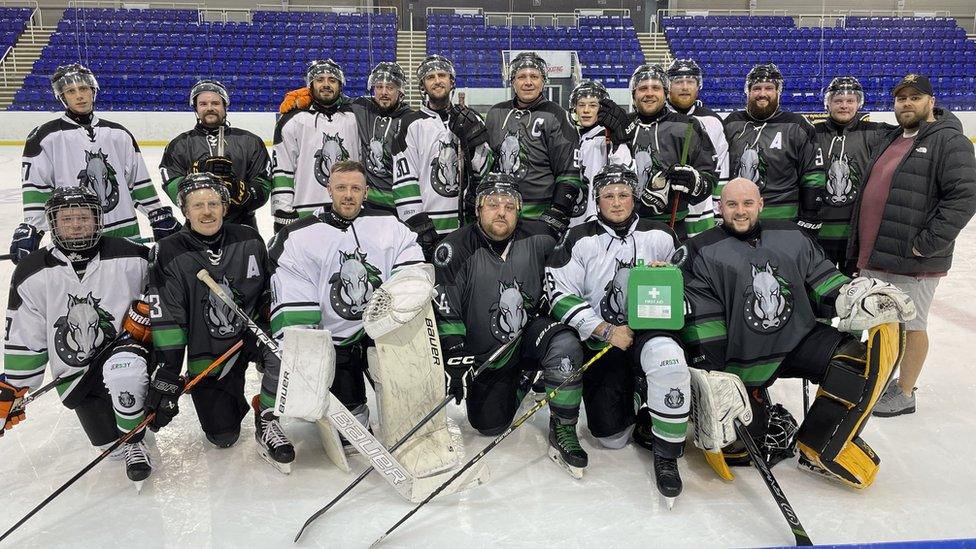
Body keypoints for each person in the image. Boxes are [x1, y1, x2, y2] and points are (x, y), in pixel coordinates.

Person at [677, 177, 911, 489]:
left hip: (797, 339)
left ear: (761, 204)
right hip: (742, 358)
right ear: (720, 208)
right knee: (743, 447)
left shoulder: (791, 236)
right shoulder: (700, 249)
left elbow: (822, 279)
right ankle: (750, 405)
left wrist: (852, 297)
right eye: (732, 204)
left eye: (748, 203)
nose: (740, 211)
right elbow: (702, 318)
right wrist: (715, 373)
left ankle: (819, 444)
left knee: (855, 362)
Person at [546, 163, 690, 503]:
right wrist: (605, 329)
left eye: (624, 194)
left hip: (650, 335)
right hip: (606, 340)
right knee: (611, 437)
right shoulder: (580, 237)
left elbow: (690, 277)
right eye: (608, 195)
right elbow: (557, 293)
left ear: (634, 196)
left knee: (668, 362)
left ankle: (667, 456)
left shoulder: (660, 235)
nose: (616, 202)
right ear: (597, 200)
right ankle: (639, 397)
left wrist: (672, 272)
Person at [432, 173, 587, 477]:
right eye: (492, 204)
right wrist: (456, 354)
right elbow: (446, 309)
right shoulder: (454, 248)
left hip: (530, 333)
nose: (501, 211)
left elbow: (569, 278)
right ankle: (524, 376)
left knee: (565, 344)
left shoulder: (543, 237)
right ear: (478, 209)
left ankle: (564, 428)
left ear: (519, 210)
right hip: (486, 354)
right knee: (488, 425)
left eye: (509, 205)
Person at [1, 187, 154, 487]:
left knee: (125, 373)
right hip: (75, 376)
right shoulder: (32, 271)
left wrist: (147, 313)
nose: (75, 224)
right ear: (53, 224)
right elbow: (26, 331)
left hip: (128, 358)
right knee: (109, 447)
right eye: (66, 218)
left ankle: (135, 438)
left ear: (98, 220)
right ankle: (124, 430)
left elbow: (163, 291)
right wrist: (14, 387)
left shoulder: (132, 255)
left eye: (83, 217)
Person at [146, 173, 294, 473]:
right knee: (222, 436)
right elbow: (169, 317)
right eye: (197, 205)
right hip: (208, 348)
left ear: (225, 207)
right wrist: (169, 371)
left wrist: (266, 316)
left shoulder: (249, 238)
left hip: (252, 335)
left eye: (214, 203)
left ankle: (267, 417)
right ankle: (232, 401)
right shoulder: (169, 251)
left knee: (287, 349)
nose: (207, 211)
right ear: (184, 211)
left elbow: (269, 290)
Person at [268, 161, 424, 443]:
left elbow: (412, 276)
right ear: (329, 189)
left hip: (384, 336)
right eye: (341, 188)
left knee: (409, 415)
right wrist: (309, 362)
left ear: (366, 192)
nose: (348, 195)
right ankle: (348, 401)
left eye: (355, 188)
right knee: (348, 435)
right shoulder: (299, 236)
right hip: (337, 343)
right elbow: (295, 303)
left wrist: (391, 319)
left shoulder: (390, 225)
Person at [847, 74, 976, 417]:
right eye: (901, 98)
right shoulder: (892, 138)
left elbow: (964, 197)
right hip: (877, 252)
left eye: (915, 97)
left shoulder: (949, 141)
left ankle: (905, 391)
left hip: (914, 258)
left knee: (913, 325)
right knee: (879, 322)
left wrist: (928, 244)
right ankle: (879, 379)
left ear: (931, 102)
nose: (907, 103)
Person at [10, 64, 180, 263]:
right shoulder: (45, 137)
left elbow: (137, 180)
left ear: (93, 91)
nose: (79, 96)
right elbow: (38, 188)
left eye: (84, 89)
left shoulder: (119, 134)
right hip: (75, 231)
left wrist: (156, 213)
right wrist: (34, 228)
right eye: (71, 91)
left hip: (124, 229)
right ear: (62, 97)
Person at [597, 64, 717, 239]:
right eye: (643, 88)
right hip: (621, 226)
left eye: (656, 88)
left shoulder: (688, 126)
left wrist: (695, 182)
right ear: (634, 94)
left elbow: (709, 177)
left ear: (665, 92)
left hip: (673, 225)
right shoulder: (620, 126)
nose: (649, 93)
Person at [279, 62, 415, 214]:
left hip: (402, 203)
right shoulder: (361, 108)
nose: (383, 92)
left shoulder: (412, 122)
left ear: (400, 91)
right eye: (378, 87)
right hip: (367, 204)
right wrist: (308, 94)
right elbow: (332, 97)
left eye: (390, 87)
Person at [391, 55, 491, 258]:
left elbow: (485, 171)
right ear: (423, 85)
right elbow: (404, 182)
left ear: (451, 81)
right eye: (431, 77)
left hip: (471, 226)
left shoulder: (471, 118)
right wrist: (419, 226)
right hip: (430, 228)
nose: (437, 81)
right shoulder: (410, 124)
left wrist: (474, 143)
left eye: (442, 75)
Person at [485, 52, 582, 239]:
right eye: (521, 77)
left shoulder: (557, 115)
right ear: (512, 81)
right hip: (501, 212)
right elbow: (485, 166)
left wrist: (558, 211)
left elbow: (569, 171)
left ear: (543, 81)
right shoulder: (496, 113)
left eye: (534, 76)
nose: (528, 82)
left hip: (539, 217)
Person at [159, 79, 272, 229]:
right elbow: (171, 183)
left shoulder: (250, 141)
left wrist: (239, 190)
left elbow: (264, 184)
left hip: (243, 227)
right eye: (203, 104)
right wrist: (195, 182)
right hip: (197, 226)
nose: (210, 108)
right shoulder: (179, 145)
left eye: (215, 103)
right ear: (196, 108)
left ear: (225, 106)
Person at [723, 63, 824, 228]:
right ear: (747, 91)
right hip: (738, 218)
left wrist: (810, 214)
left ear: (778, 92)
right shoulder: (731, 123)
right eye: (756, 88)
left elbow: (813, 173)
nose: (762, 94)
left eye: (769, 88)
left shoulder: (798, 125)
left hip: (783, 220)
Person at [812, 77, 895, 274]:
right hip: (820, 233)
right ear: (828, 103)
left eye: (850, 100)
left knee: (856, 296)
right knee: (822, 293)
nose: (844, 106)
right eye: (838, 100)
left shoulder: (875, 132)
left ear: (859, 103)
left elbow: (914, 130)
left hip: (858, 235)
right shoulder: (812, 133)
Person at [270, 59, 359, 233]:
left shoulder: (355, 117)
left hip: (350, 211)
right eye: (320, 80)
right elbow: (282, 169)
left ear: (341, 86)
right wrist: (283, 211)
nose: (326, 84)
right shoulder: (292, 120)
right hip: (305, 214)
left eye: (332, 80)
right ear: (309, 86)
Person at [666, 59, 730, 216]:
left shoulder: (713, 121)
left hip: (703, 211)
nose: (685, 87)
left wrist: (720, 210)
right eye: (678, 81)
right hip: (663, 212)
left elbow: (721, 168)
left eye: (691, 81)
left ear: (698, 86)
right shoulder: (658, 119)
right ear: (668, 86)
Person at [568, 79, 630, 227]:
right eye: (581, 105)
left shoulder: (605, 137)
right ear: (574, 108)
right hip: (574, 215)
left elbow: (622, 167)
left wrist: (616, 140)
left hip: (595, 217)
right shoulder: (572, 136)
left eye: (593, 105)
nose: (586, 110)